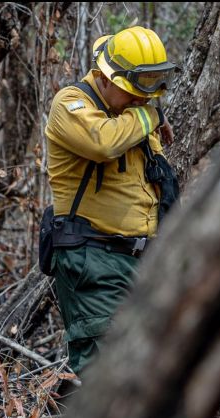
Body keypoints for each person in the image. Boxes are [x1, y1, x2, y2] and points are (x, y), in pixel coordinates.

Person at [44, 26, 178, 376]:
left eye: (150, 88)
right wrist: (151, 116)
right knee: (105, 373)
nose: (142, 99)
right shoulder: (71, 104)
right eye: (134, 90)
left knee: (149, 369)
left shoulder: (133, 116)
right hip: (93, 259)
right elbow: (102, 142)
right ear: (106, 77)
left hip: (142, 260)